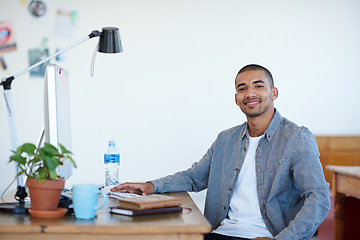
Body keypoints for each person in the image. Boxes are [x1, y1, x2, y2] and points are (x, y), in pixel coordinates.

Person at [111, 64, 331, 240]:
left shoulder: (297, 138)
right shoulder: (226, 139)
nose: (250, 93)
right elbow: (195, 177)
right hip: (220, 233)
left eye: (258, 86)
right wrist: (151, 186)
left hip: (271, 236)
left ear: (273, 92)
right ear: (236, 98)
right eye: (242, 88)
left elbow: (318, 198)